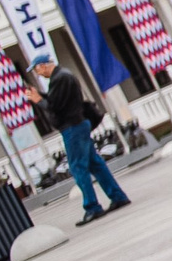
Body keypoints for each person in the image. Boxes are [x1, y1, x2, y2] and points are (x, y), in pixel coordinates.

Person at [29, 52, 129, 226]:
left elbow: (56, 107)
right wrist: (42, 96)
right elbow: (57, 100)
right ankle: (117, 196)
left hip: (73, 127)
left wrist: (39, 100)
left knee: (78, 167)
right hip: (79, 124)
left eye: (36, 70)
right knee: (95, 164)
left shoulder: (60, 78)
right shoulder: (63, 75)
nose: (37, 73)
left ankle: (92, 207)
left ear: (43, 66)